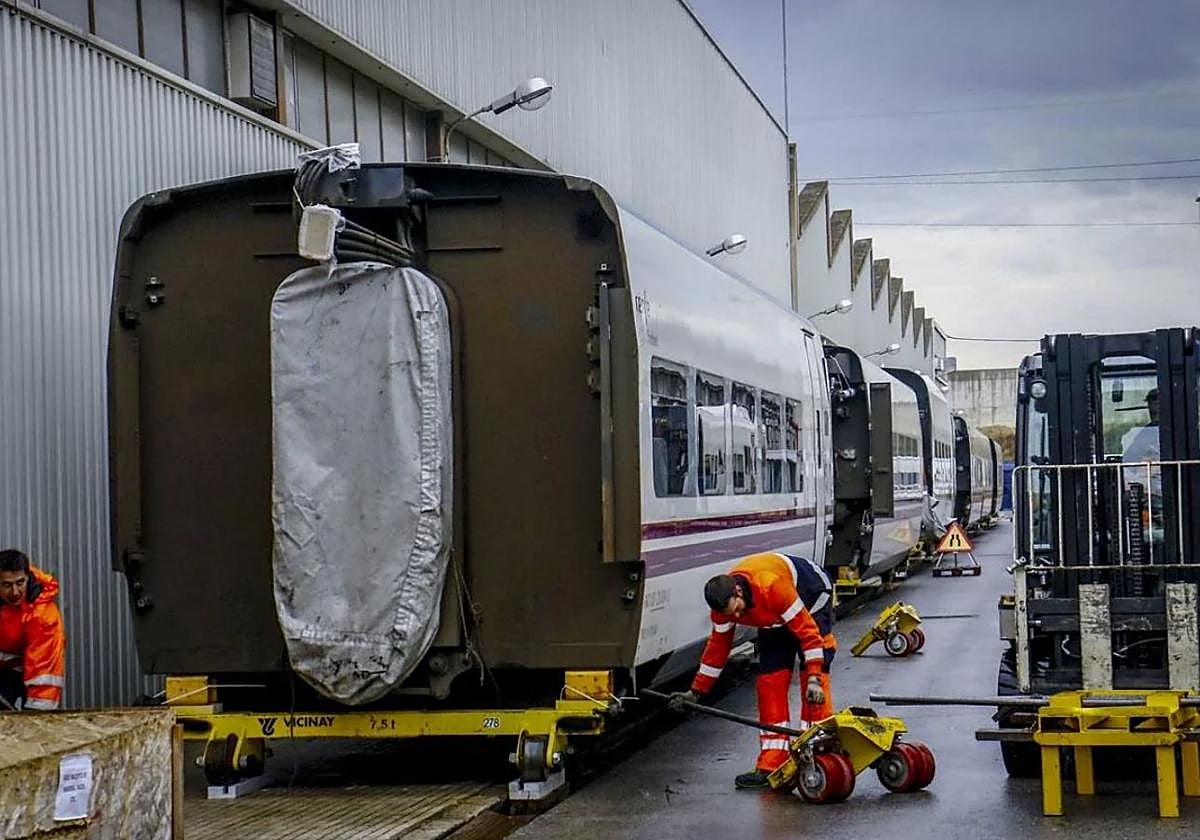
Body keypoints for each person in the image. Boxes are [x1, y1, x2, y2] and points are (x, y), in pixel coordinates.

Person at [669, 551, 836, 789]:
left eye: (737, 609)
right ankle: (772, 764)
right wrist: (695, 692)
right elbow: (717, 651)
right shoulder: (723, 608)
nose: (737, 616)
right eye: (731, 614)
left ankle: (820, 754)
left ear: (738, 591)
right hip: (771, 617)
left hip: (811, 596)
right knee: (770, 682)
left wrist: (815, 679)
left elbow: (809, 636)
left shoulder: (771, 587)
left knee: (813, 685)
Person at [0, 549, 66, 711]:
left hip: (28, 671)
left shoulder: (42, 615)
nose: (15, 592)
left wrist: (37, 718)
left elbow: (44, 673)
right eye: (7, 585)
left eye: (20, 583)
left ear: (28, 578)